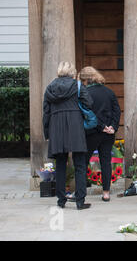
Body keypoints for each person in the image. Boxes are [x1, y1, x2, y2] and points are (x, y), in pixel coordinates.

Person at [43, 61, 93, 210]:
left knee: (60, 165)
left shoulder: (49, 88)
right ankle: (80, 201)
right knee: (80, 164)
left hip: (56, 128)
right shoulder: (77, 86)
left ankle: (61, 200)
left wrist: (47, 133)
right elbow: (89, 103)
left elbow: (46, 113)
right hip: (75, 127)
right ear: (73, 72)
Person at [79, 66, 121, 202]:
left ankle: (80, 192)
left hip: (92, 133)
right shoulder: (109, 92)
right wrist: (113, 127)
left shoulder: (86, 93)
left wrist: (101, 126)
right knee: (106, 162)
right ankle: (106, 193)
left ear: (85, 79)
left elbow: (89, 114)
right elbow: (117, 111)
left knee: (83, 161)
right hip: (109, 133)